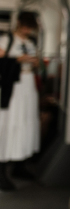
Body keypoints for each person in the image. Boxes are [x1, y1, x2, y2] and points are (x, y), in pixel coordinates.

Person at [0, 11, 41, 191]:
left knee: (26, 121)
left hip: (28, 85)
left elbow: (37, 63)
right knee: (10, 123)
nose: (27, 30)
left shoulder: (31, 42)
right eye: (25, 26)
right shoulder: (7, 40)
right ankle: (2, 169)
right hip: (13, 87)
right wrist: (18, 59)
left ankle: (20, 164)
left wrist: (34, 62)